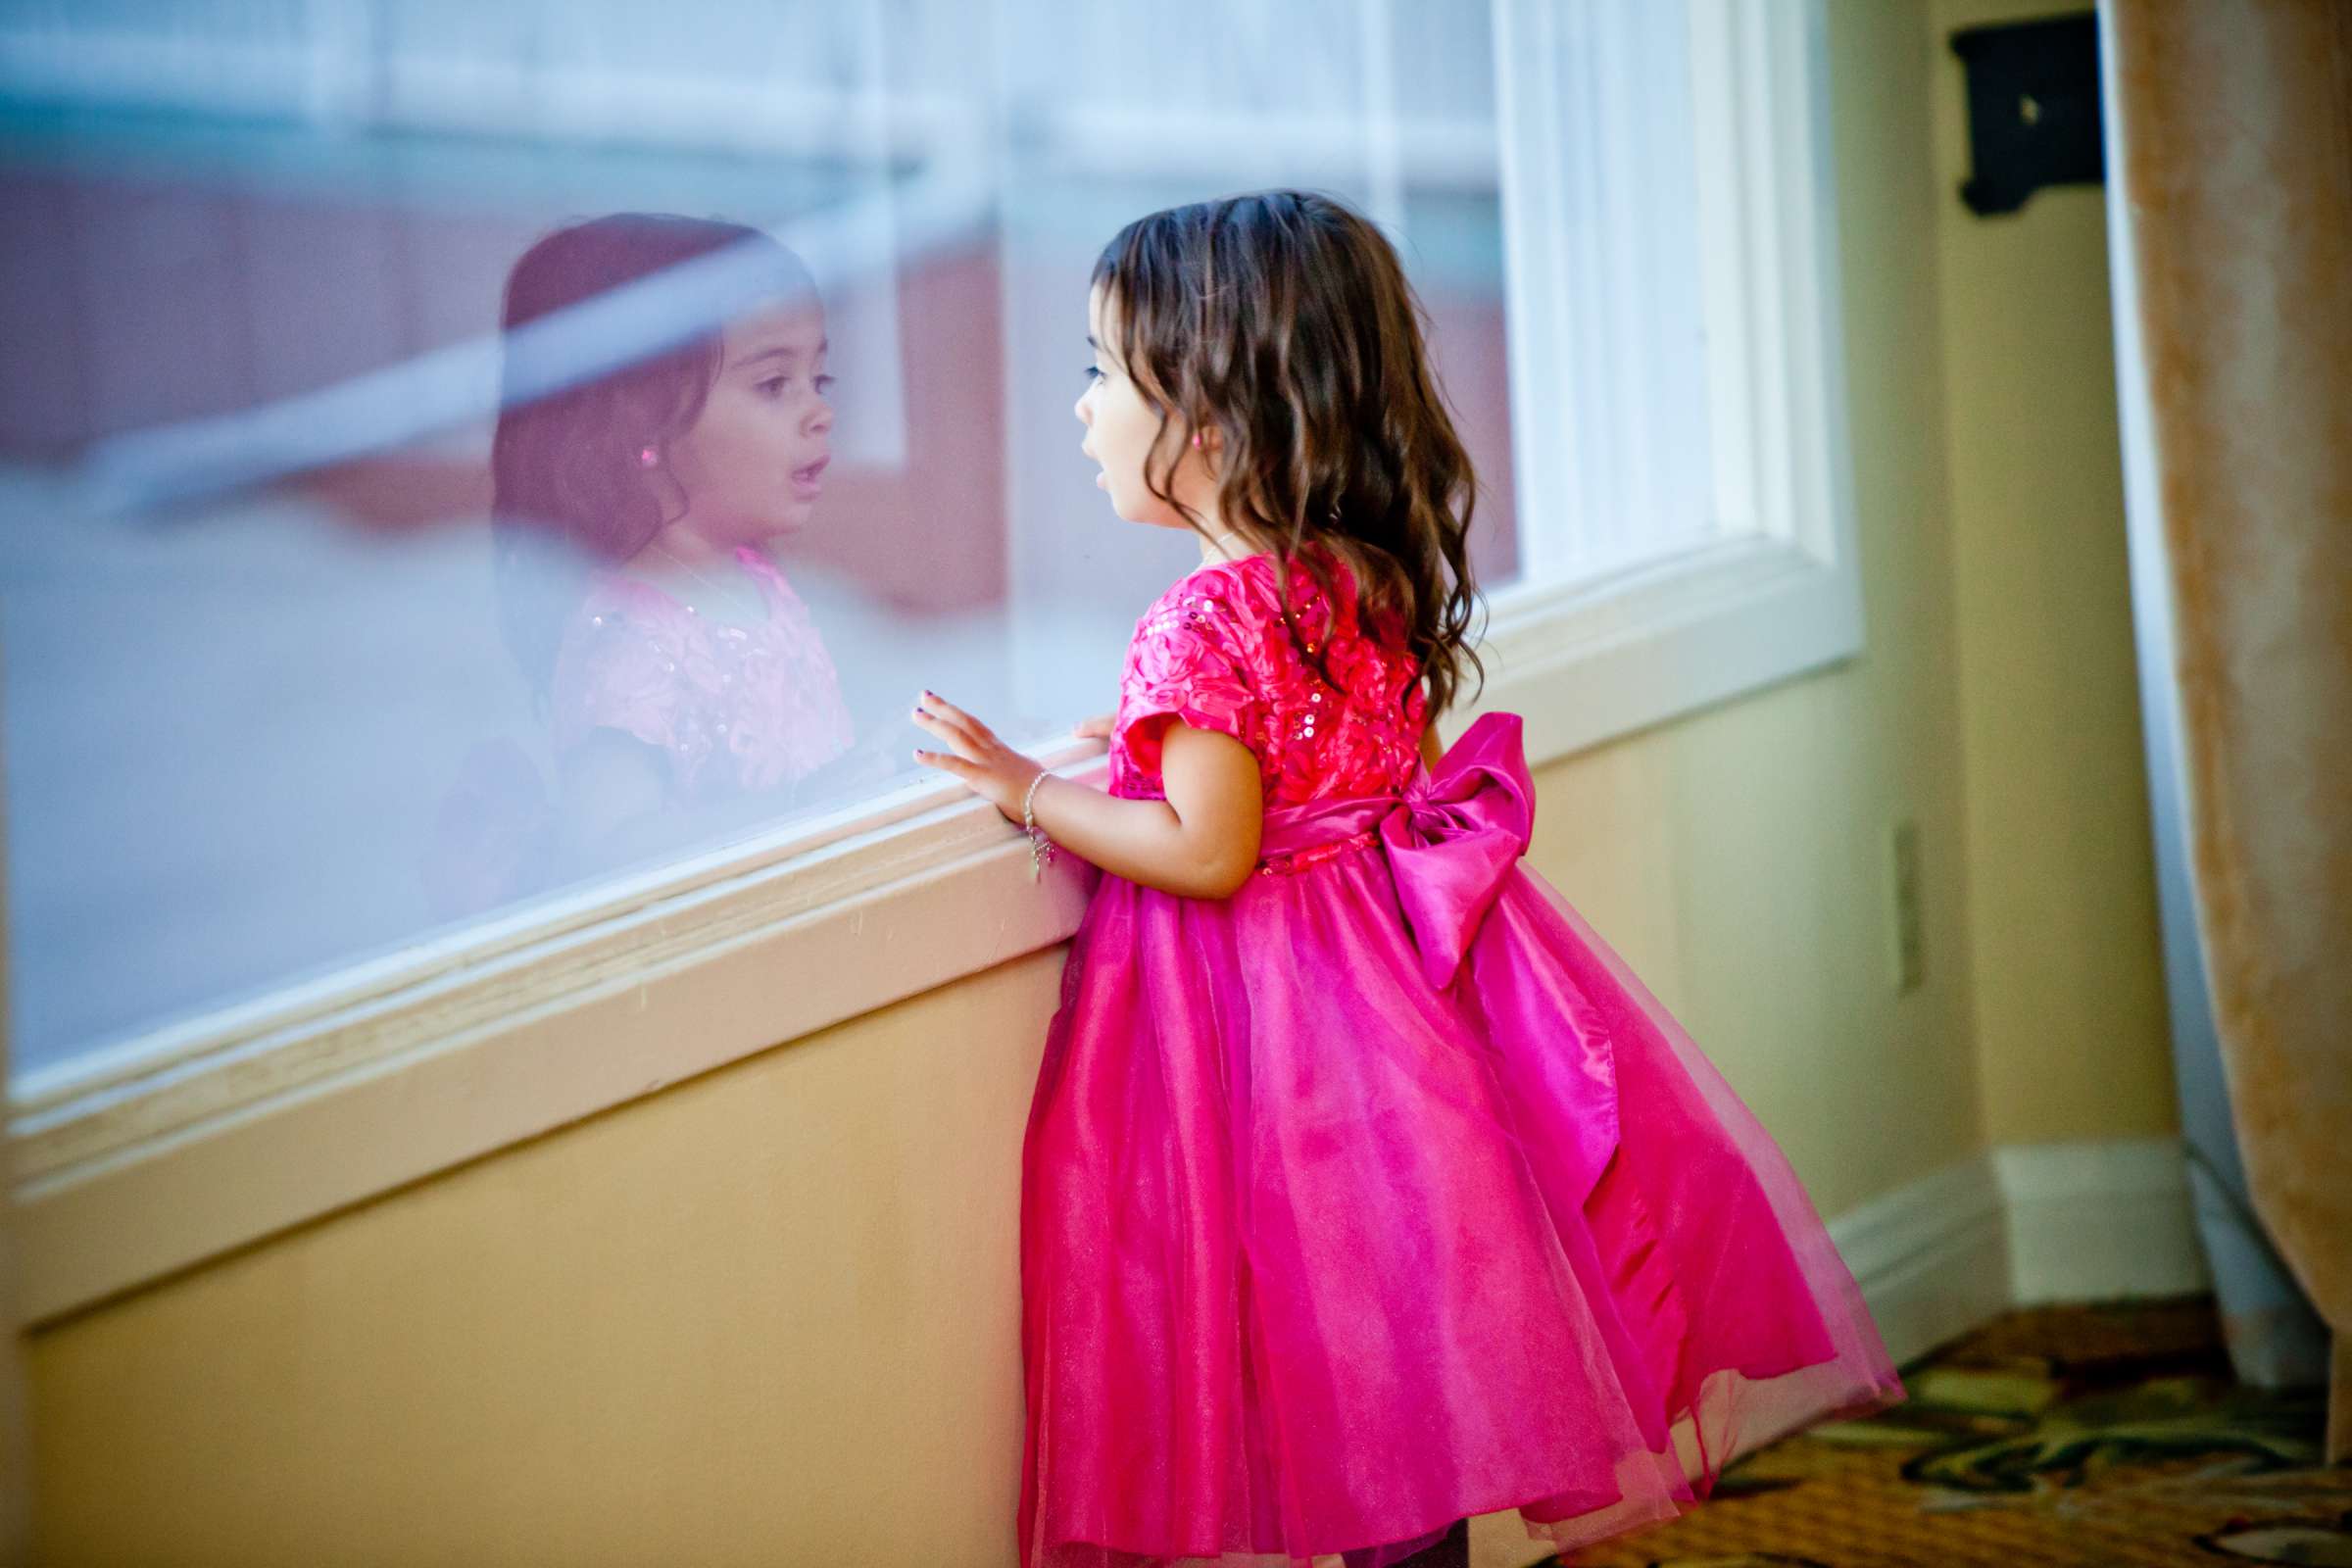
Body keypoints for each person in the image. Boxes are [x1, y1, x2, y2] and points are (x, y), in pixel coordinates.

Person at [908, 191, 1907, 1568]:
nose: (1080, 412)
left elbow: (1212, 849)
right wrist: (1139, 748)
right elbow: (1351, 771)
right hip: (1399, 1012)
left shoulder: (1199, 615)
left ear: (1204, 416)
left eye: (1099, 375)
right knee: (1408, 1374)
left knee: (1313, 1357)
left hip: (1273, 1042)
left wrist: (1035, 792)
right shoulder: (1351, 579)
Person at [424, 212, 896, 918]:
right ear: (642, 420)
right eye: (774, 384)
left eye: (818, 379)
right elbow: (613, 849)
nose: (819, 412)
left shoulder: (752, 581)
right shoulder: (630, 635)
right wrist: (806, 808)